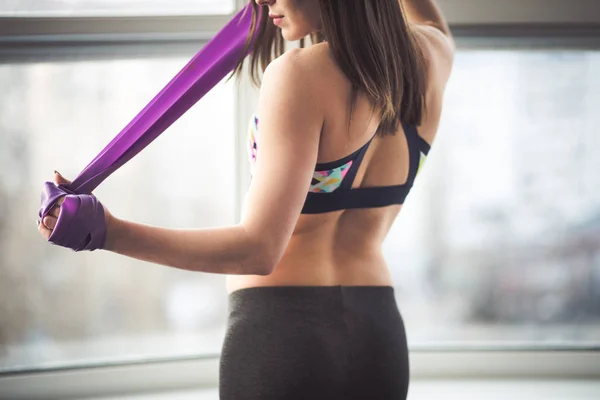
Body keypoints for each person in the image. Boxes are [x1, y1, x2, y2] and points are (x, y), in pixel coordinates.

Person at [38, 0, 454, 398]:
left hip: (284, 336)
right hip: (378, 335)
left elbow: (259, 249)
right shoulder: (431, 55)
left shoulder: (301, 74)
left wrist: (107, 232)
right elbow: (428, 22)